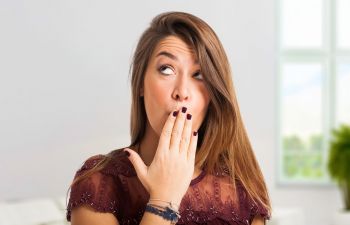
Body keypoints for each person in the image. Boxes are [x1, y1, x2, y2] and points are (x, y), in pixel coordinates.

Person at [66, 11, 271, 225]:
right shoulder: (99, 182)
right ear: (141, 85)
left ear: (212, 94)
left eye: (199, 75)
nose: (182, 91)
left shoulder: (242, 188)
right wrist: (164, 200)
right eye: (166, 69)